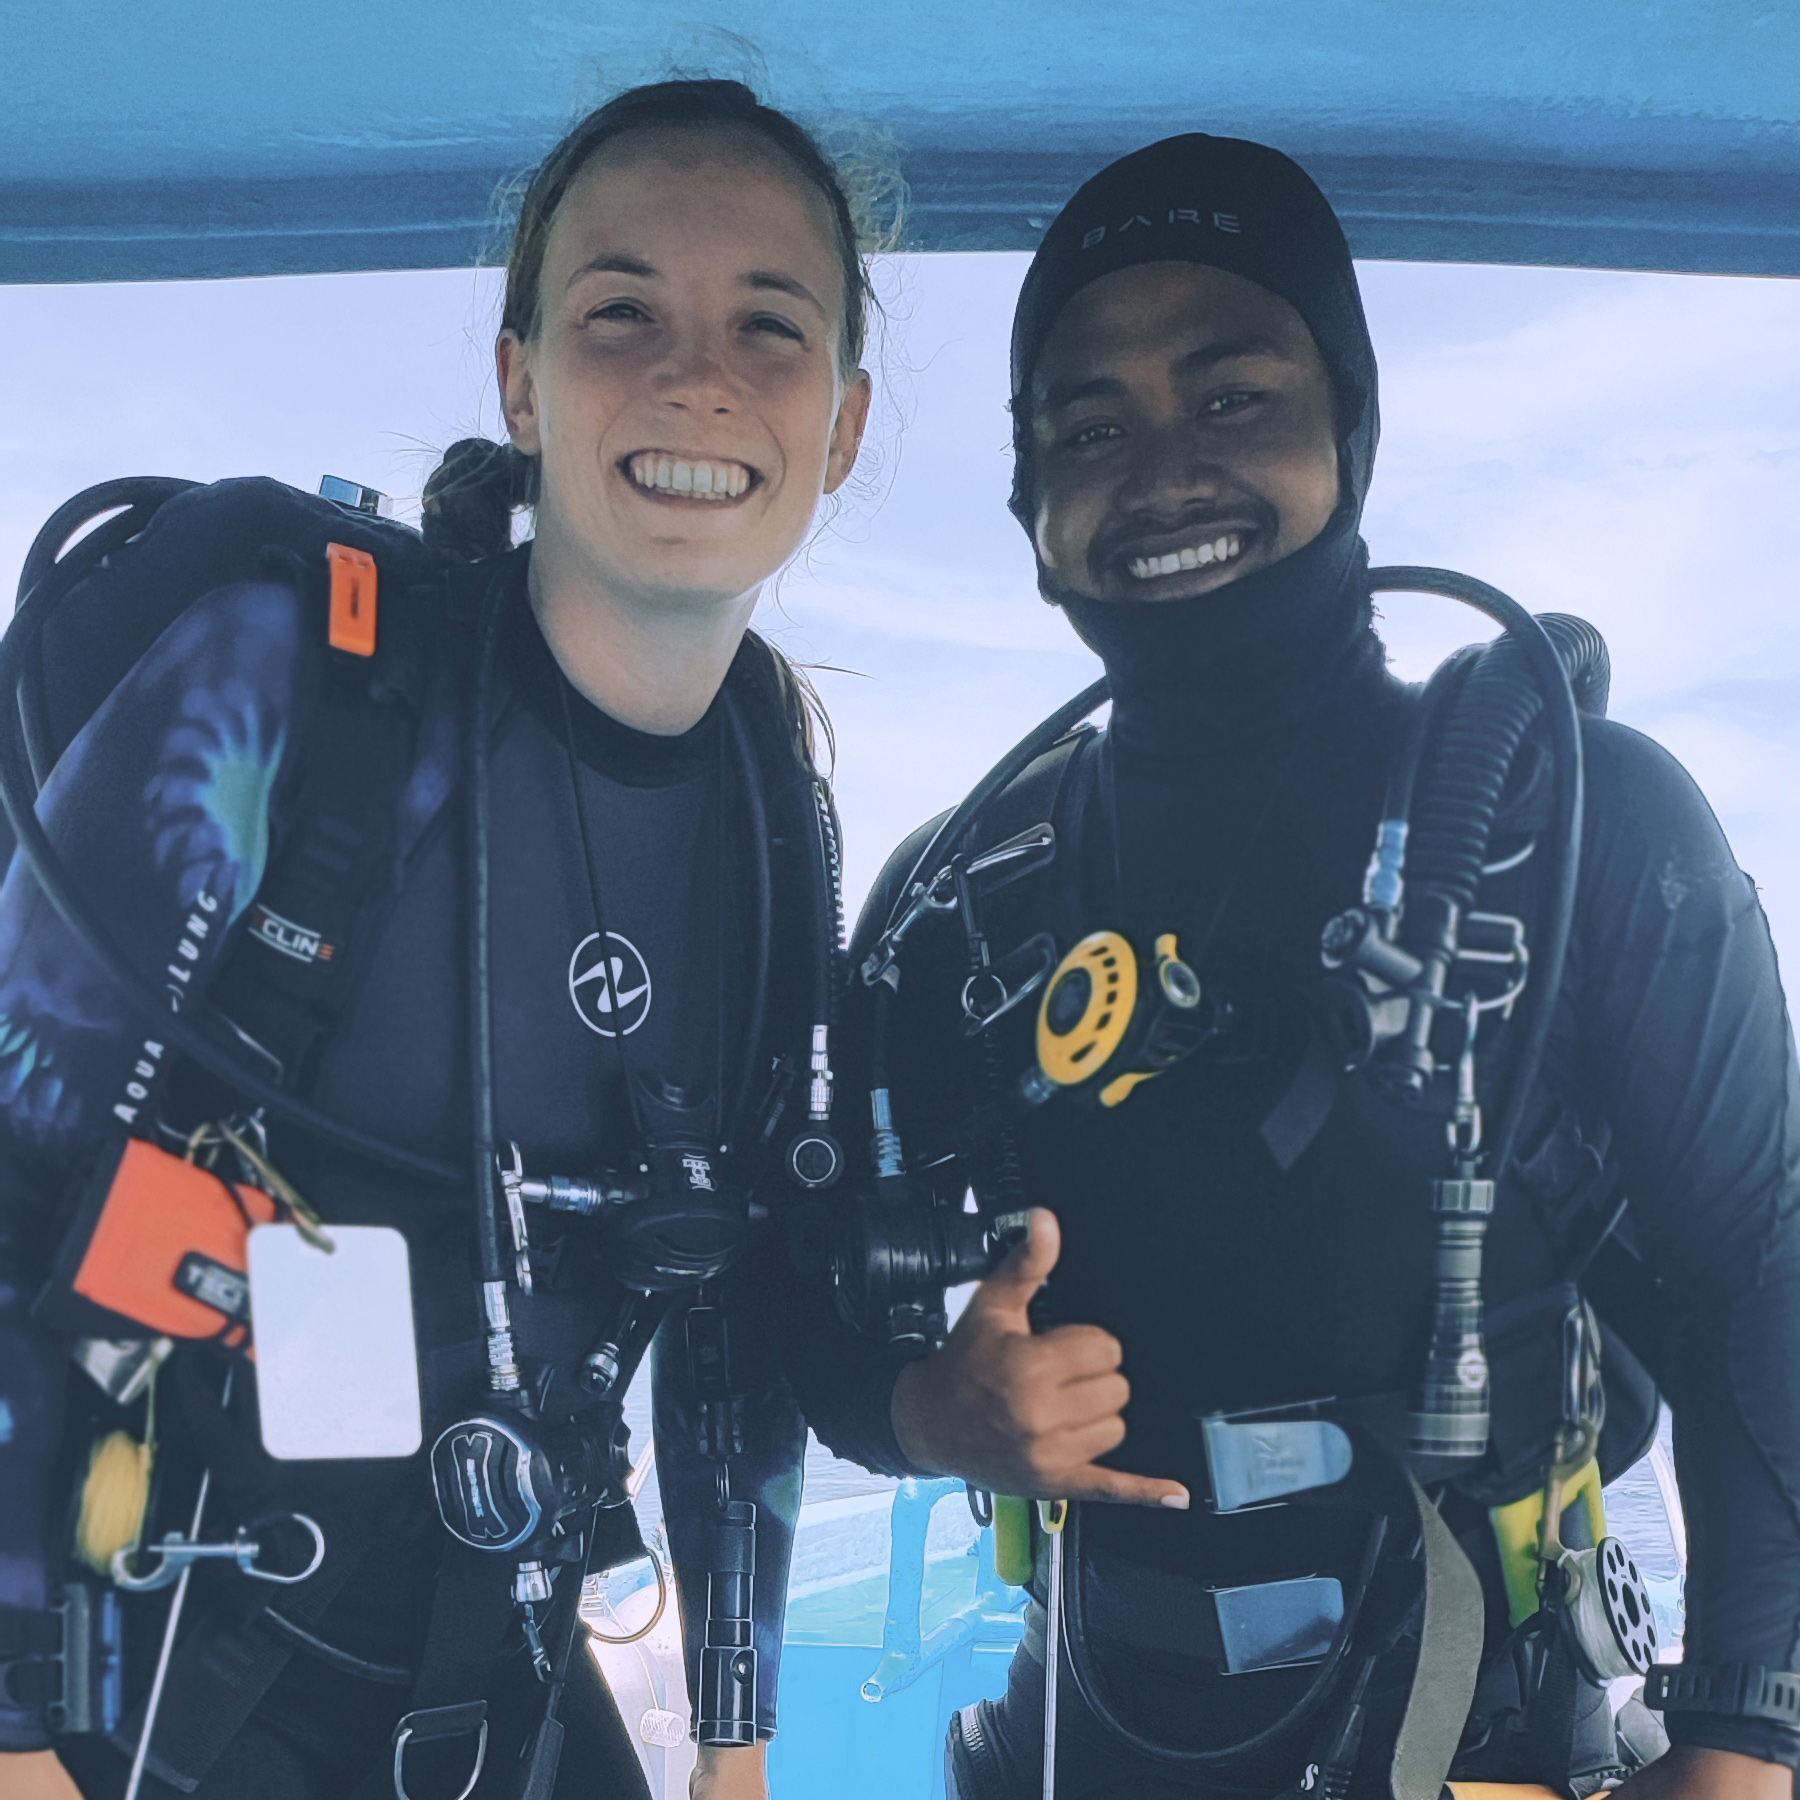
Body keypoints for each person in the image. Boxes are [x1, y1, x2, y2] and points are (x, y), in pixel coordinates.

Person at [819, 134, 1800, 1799]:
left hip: (1489, 1728)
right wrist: (930, 1416)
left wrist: (1745, 1733)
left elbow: (1761, 1286)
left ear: (1349, 426)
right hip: (1093, 1730)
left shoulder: (1578, 827)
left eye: (1234, 397)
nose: (1163, 471)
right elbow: (799, 1316)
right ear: (1027, 506)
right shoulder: (955, 910)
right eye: (1090, 425)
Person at [0, 78, 881, 1800]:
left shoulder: (778, 816)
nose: (696, 375)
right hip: (139, 1696)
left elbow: (729, 1313)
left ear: (841, 427)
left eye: (767, 325)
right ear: (520, 377)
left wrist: (734, 1738)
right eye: (620, 309)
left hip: (505, 1700)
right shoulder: (296, 673)